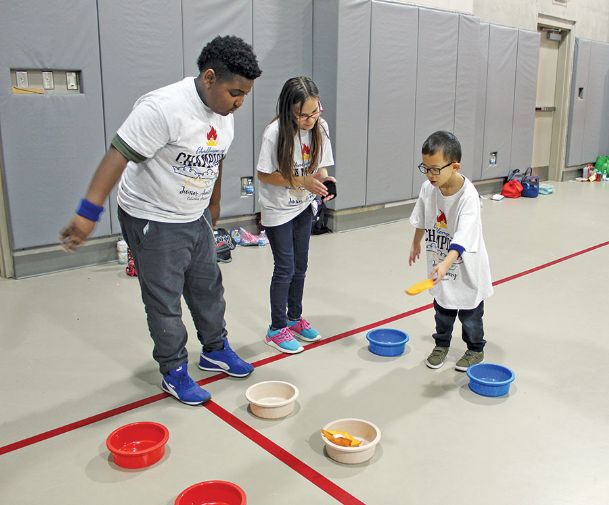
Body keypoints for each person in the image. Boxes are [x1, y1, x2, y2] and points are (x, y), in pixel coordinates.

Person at [59, 35, 262, 405]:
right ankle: (174, 370)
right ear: (209, 78)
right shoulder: (163, 108)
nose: (240, 102)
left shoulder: (224, 113)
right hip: (152, 216)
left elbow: (216, 160)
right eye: (235, 92)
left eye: (246, 94)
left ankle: (215, 349)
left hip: (194, 214)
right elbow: (117, 156)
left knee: (207, 288)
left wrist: (213, 208)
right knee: (165, 301)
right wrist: (88, 214)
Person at [256, 77, 335, 354]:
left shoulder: (320, 127)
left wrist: (326, 184)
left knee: (300, 266)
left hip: (303, 206)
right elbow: (264, 174)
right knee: (285, 268)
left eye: (315, 111)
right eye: (304, 115)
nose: (310, 119)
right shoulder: (275, 132)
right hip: (278, 210)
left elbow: (321, 169)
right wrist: (302, 181)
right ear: (290, 110)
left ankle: (294, 318)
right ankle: (276, 329)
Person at [408, 131, 493, 371]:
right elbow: (422, 218)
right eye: (425, 168)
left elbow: (464, 235)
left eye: (435, 169)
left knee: (470, 314)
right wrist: (416, 242)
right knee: (442, 309)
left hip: (465, 266)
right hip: (440, 263)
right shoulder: (429, 188)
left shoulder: (469, 197)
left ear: (454, 166)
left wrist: (447, 263)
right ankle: (441, 344)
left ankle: (475, 349)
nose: (429, 174)